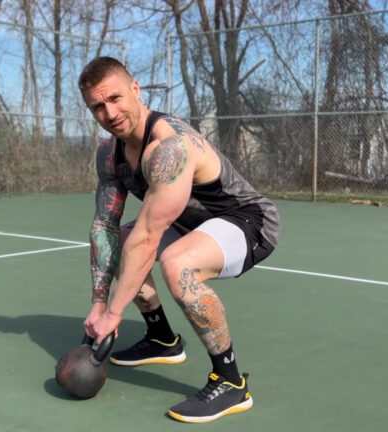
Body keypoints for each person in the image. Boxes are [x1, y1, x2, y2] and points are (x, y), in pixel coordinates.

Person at [79, 56, 280, 423]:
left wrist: (112, 314)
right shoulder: (109, 155)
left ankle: (231, 381)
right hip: (191, 223)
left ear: (135, 90)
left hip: (246, 220)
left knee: (177, 263)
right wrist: (97, 302)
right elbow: (104, 226)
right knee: (121, 240)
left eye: (116, 98)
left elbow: (148, 236)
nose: (110, 112)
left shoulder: (171, 146)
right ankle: (162, 339)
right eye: (98, 106)